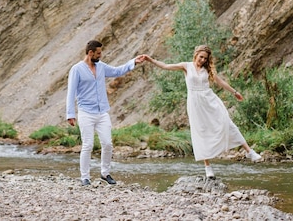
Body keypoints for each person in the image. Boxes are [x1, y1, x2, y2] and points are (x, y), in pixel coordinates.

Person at [143, 45, 261, 179]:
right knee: (201, 131)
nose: (203, 60)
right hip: (195, 104)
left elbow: (220, 81)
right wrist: (150, 59)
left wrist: (235, 92)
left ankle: (249, 151)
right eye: (201, 57)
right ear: (196, 55)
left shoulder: (207, 70)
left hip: (210, 100)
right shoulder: (186, 66)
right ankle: (207, 167)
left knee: (227, 122)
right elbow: (165, 66)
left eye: (205, 58)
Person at [66, 40, 146, 186]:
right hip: (86, 113)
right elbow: (71, 92)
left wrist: (134, 61)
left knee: (108, 144)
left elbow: (117, 71)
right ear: (90, 53)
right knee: (87, 145)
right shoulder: (76, 69)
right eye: (98, 53)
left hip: (102, 112)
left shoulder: (101, 67)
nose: (100, 55)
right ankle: (85, 177)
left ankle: (105, 173)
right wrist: (70, 114)